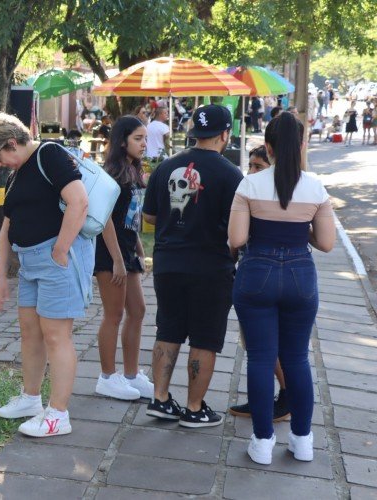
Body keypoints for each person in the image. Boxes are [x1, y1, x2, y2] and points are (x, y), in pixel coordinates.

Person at [229, 112, 335, 465]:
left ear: (269, 148)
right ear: (302, 145)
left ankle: (262, 442)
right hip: (300, 275)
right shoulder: (315, 188)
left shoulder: (250, 186)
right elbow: (326, 243)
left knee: (260, 358)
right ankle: (302, 441)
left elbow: (237, 238)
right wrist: (296, 227)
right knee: (297, 359)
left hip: (256, 271)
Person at [0, 112, 93, 438]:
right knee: (30, 333)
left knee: (57, 336)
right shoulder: (18, 172)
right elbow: (7, 227)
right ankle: (31, 398)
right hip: (29, 264)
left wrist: (60, 250)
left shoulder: (49, 154)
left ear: (11, 143)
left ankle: (58, 414)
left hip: (54, 260)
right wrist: (1, 276)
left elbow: (79, 202)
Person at [143, 104, 243, 428]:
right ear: (225, 134)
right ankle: (194, 407)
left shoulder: (165, 168)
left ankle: (159, 399)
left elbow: (148, 218)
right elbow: (238, 230)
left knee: (168, 328)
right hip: (211, 267)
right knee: (205, 338)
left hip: (167, 263)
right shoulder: (231, 174)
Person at [227, 146, 290, 422]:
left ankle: (286, 398)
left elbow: (236, 241)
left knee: (267, 346)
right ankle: (262, 399)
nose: (251, 172)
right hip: (271, 276)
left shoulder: (263, 196)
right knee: (258, 345)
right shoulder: (257, 192)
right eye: (250, 166)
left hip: (263, 277)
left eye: (258, 167)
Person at [93, 116, 153, 401]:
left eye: (145, 138)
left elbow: (132, 220)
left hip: (127, 251)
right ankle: (107, 377)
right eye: (138, 138)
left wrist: (139, 253)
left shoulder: (134, 170)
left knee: (138, 310)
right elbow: (105, 219)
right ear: (121, 141)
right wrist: (117, 259)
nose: (144, 144)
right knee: (114, 314)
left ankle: (131, 374)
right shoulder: (112, 174)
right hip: (109, 252)